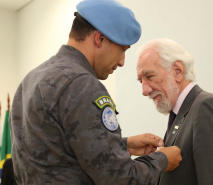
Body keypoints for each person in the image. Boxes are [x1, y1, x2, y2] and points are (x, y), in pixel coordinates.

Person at [9, 1, 182, 184]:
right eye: (122, 49)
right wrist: (162, 159)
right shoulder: (82, 85)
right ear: (99, 39)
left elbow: (52, 151)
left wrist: (123, 145)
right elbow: (122, 179)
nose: (122, 61)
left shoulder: (32, 79)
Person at [137, 38, 213, 185]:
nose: (144, 90)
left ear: (178, 71)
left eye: (149, 76)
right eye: (141, 81)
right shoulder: (181, 113)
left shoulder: (207, 106)